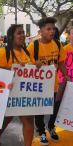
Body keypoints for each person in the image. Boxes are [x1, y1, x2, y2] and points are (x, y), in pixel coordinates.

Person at [27, 17, 70, 145]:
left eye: (53, 29)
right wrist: (35, 63)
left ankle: (51, 127)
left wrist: (66, 76)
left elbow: (61, 62)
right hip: (38, 87)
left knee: (55, 109)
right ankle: (41, 132)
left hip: (54, 85)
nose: (52, 31)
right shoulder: (33, 46)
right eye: (48, 29)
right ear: (41, 31)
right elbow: (26, 65)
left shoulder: (57, 44)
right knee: (39, 111)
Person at [0, 24, 34, 146]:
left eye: (23, 33)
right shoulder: (2, 52)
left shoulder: (26, 52)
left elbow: (32, 72)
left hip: (24, 94)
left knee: (28, 120)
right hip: (8, 93)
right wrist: (13, 69)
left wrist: (36, 65)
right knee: (6, 119)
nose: (22, 35)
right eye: (19, 33)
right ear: (11, 37)